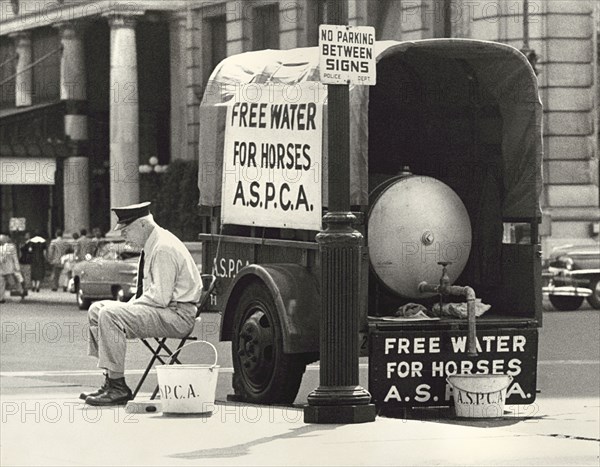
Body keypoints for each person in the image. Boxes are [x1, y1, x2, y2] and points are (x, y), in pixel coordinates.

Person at [82, 202, 202, 406]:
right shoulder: (154, 243)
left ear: (143, 225)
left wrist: (127, 307)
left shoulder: (163, 247)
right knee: (96, 310)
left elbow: (160, 297)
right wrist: (130, 306)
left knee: (110, 314)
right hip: (166, 310)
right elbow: (153, 295)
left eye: (127, 230)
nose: (124, 236)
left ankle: (118, 387)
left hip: (177, 315)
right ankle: (111, 379)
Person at [0, 233, 25, 301]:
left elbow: (15, 258)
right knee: (2, 284)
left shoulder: (11, 247)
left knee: (12, 282)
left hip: (8, 269)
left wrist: (17, 267)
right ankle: (1, 298)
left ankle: (21, 291)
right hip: (4, 269)